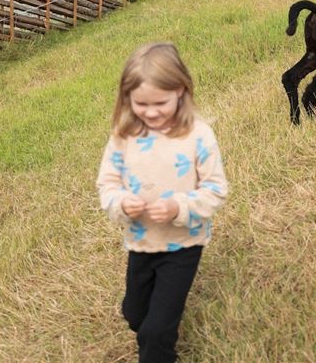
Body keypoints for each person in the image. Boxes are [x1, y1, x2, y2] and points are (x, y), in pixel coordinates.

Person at [97, 42, 228, 363]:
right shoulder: (123, 136)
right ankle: (152, 328)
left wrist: (178, 208)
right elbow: (108, 184)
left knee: (156, 332)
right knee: (134, 316)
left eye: (160, 103)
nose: (151, 111)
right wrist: (122, 203)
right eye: (141, 103)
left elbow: (216, 188)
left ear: (181, 91)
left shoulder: (198, 135)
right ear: (127, 97)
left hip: (184, 244)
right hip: (141, 242)